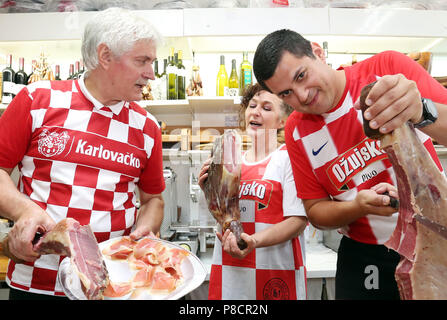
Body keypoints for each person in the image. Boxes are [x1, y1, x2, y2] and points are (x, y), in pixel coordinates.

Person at [252, 29, 447, 300]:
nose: (303, 95)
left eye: (301, 76)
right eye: (286, 93)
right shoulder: (296, 129)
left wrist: (421, 110)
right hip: (363, 256)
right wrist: (357, 206)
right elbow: (316, 210)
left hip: (434, 241)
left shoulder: (388, 69)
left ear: (317, 52)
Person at [0, 7, 165, 300]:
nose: (151, 74)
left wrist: (145, 231)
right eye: (142, 61)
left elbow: (153, 200)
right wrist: (24, 210)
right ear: (105, 56)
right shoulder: (37, 100)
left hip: (111, 286)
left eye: (152, 62)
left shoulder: (148, 127)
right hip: (36, 283)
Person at [198, 83, 308, 300]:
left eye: (267, 108)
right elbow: (227, 217)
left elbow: (298, 221)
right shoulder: (231, 161)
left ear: (282, 121)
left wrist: (255, 241)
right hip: (230, 269)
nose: (256, 111)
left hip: (275, 272)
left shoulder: (289, 158)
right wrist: (212, 193)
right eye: (252, 105)